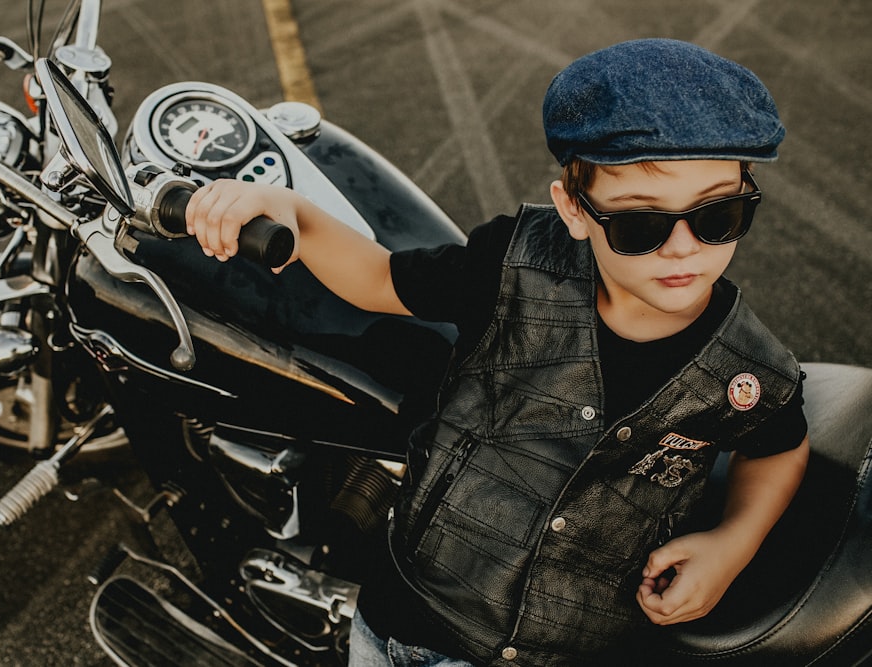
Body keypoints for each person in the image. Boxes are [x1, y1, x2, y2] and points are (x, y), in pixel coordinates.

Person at [185, 38, 810, 666]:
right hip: (398, 620)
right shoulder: (511, 261)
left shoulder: (748, 371)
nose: (682, 249)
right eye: (640, 224)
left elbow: (777, 447)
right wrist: (290, 209)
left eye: (717, 216)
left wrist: (733, 543)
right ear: (573, 210)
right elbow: (378, 280)